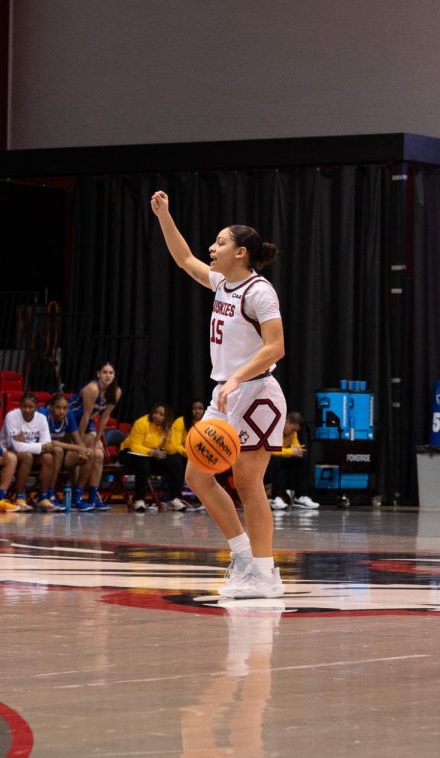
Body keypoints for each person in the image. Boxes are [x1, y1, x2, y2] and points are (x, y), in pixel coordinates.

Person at [152, 191, 287, 599]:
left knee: (249, 484)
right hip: (227, 393)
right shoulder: (222, 284)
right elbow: (183, 258)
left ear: (241, 252)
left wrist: (235, 379)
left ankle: (265, 574)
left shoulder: (259, 292)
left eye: (221, 242)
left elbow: (275, 347)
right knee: (196, 475)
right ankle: (243, 557)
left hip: (257, 392)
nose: (212, 248)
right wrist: (164, 215)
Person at [68, 361, 119, 510]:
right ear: (98, 374)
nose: (108, 375)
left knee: (99, 454)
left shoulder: (116, 392)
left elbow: (104, 418)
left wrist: (98, 440)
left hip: (88, 422)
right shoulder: (92, 388)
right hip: (73, 419)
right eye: (105, 372)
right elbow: (85, 415)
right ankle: (76, 496)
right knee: (84, 452)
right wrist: (80, 442)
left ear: (114, 375)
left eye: (111, 373)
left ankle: (93, 496)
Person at [120, 402, 188, 512]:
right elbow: (134, 446)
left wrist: (169, 437)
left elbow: (171, 450)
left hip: (150, 456)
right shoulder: (142, 423)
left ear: (166, 417)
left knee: (176, 461)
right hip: (129, 454)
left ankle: (174, 498)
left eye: (161, 414)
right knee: (143, 463)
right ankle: (139, 499)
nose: (157, 416)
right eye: (156, 412)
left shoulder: (166, 428)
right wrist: (151, 452)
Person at [0, 393, 57, 511]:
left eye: (31, 407)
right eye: (24, 406)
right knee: (28, 457)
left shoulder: (41, 418)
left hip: (30, 450)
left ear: (36, 408)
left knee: (48, 458)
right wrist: (40, 446)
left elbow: (47, 444)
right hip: (8, 449)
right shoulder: (11, 416)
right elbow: (17, 447)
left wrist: (25, 442)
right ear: (20, 406)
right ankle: (20, 498)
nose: (27, 410)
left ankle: (42, 498)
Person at [39, 393, 91, 510]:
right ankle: (50, 494)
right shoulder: (43, 415)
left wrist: (83, 450)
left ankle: (77, 497)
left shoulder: (69, 416)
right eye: (58, 408)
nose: (62, 411)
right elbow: (50, 442)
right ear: (51, 407)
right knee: (58, 450)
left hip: (60, 456)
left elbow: (77, 439)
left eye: (65, 408)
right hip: (41, 452)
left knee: (88, 455)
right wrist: (78, 448)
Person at [266, 412, 319, 511]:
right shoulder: (274, 429)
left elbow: (296, 447)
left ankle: (300, 496)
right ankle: (277, 497)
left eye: (295, 431)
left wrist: (298, 452)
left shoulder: (293, 433)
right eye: (293, 429)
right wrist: (291, 451)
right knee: (275, 459)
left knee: (302, 460)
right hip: (268, 462)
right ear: (287, 422)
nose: (292, 432)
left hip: (283, 456)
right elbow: (272, 450)